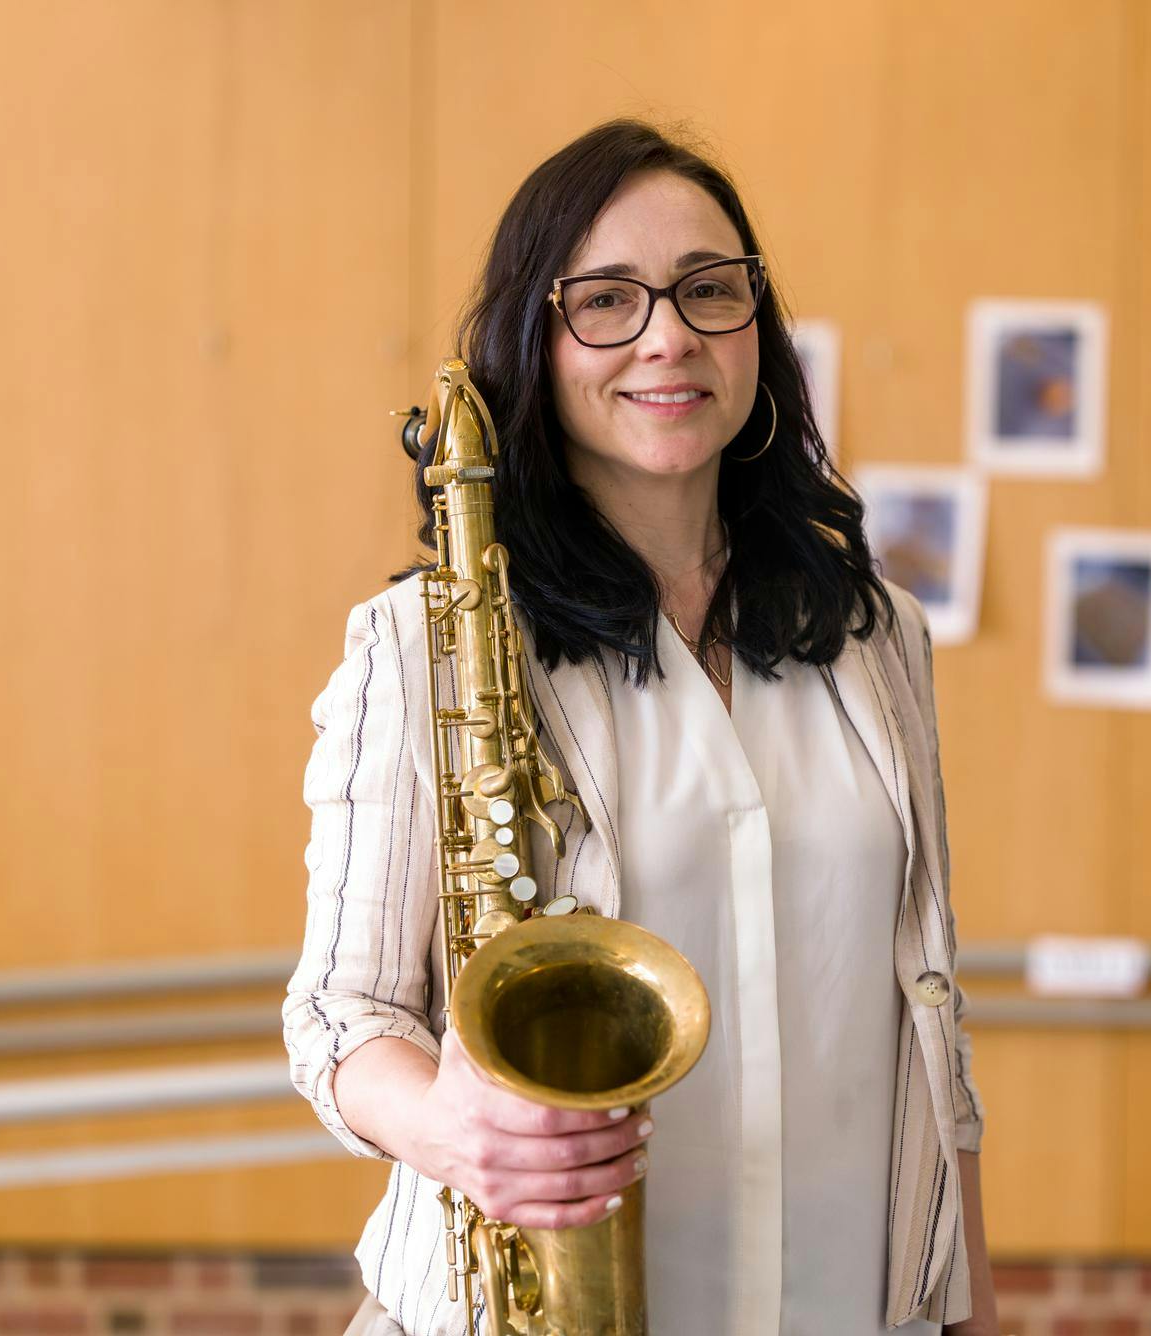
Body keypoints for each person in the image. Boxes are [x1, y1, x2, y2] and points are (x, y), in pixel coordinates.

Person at [284, 119, 997, 1336]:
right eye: (605, 299)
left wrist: (973, 1311)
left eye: (709, 291)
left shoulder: (880, 638)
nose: (668, 334)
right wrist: (456, 1131)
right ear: (534, 340)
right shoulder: (421, 647)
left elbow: (932, 1034)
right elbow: (339, 1017)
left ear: (757, 334)